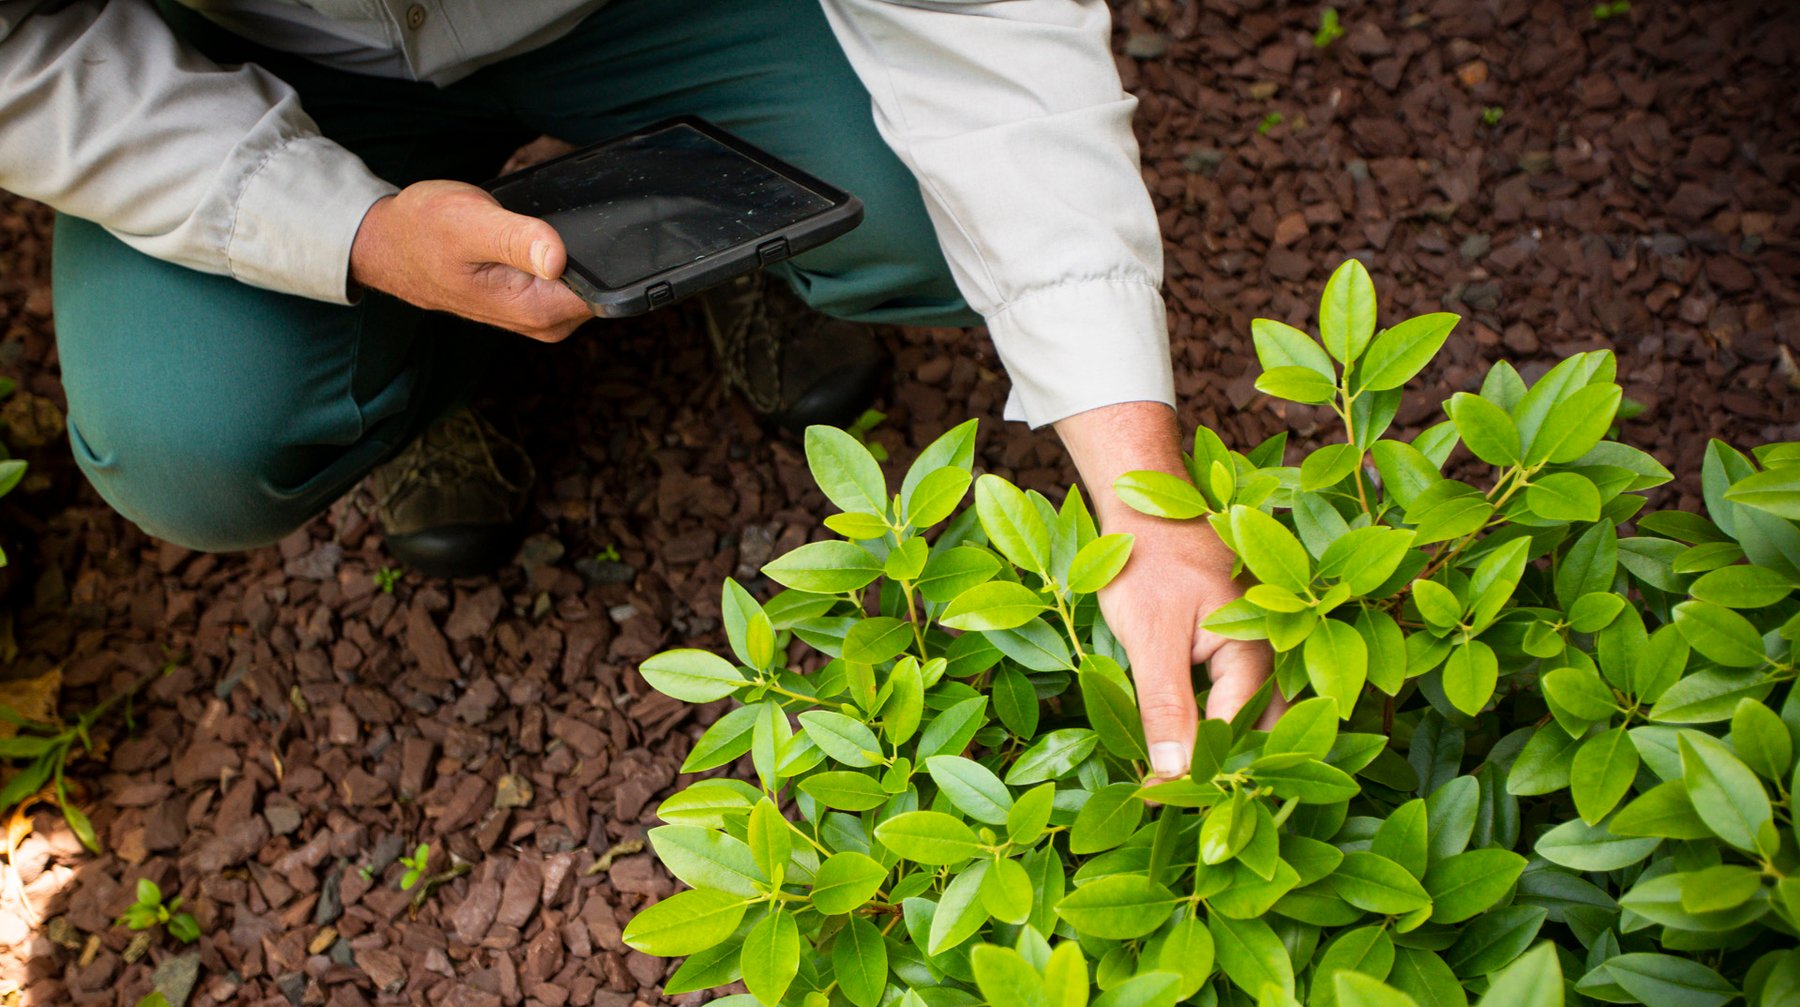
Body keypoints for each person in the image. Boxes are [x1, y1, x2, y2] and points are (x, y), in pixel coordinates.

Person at [0, 0, 1273, 773]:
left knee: (929, 208)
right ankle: (441, 347)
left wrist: (1145, 504)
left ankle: (715, 239)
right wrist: (355, 232)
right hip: (254, 58)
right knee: (193, 440)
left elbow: (982, 29)